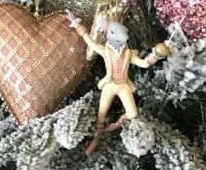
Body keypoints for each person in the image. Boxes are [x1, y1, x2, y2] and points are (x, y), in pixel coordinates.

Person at [72, 17, 169, 154]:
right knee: (101, 113)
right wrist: (82, 31)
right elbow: (92, 44)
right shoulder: (106, 51)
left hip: (123, 86)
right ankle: (97, 135)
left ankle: (114, 126)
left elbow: (143, 63)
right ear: (109, 34)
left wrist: (153, 58)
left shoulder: (128, 53)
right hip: (109, 85)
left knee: (132, 112)